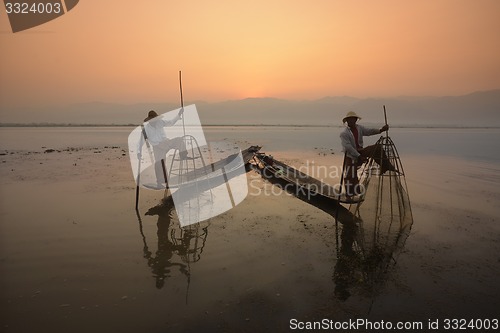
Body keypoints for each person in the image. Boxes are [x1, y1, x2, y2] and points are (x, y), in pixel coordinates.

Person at [339, 111, 395, 199]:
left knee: (377, 148)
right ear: (347, 121)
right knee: (350, 175)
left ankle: (385, 165)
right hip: (351, 155)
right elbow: (348, 147)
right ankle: (349, 196)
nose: (352, 121)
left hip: (361, 151)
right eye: (349, 119)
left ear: (356, 120)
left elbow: (369, 131)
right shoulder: (344, 133)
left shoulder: (359, 128)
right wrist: (359, 156)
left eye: (353, 119)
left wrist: (381, 130)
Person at [139, 108, 190, 188]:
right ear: (150, 120)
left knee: (179, 140)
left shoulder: (160, 122)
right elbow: (141, 141)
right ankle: (161, 181)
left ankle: (183, 155)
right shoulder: (146, 129)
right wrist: (139, 152)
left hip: (166, 142)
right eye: (153, 120)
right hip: (157, 146)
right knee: (159, 163)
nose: (155, 121)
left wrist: (179, 114)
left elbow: (171, 122)